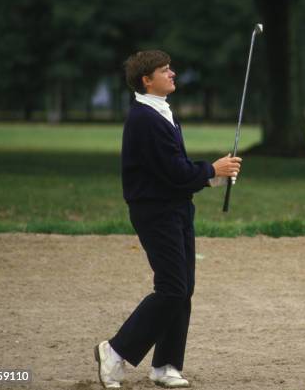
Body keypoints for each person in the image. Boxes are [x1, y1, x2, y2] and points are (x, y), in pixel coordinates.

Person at [94, 50, 241, 389]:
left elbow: (173, 172)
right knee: (172, 288)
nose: (173, 74)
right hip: (155, 212)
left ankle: (166, 365)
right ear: (147, 80)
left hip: (175, 208)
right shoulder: (145, 119)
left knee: (183, 288)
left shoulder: (161, 112)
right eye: (165, 70)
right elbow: (174, 171)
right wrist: (211, 170)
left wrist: (214, 176)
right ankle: (114, 351)